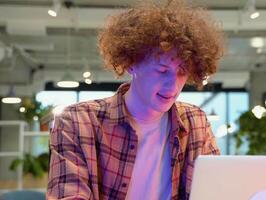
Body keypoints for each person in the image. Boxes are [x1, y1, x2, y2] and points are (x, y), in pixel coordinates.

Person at [46, 1, 224, 200]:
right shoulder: (77, 122)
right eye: (162, 70)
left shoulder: (195, 122)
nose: (172, 85)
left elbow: (213, 192)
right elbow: (69, 195)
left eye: (182, 72)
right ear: (131, 64)